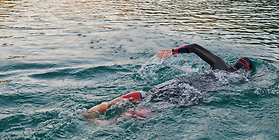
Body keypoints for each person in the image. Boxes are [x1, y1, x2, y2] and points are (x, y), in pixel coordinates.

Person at [83, 43, 253, 124]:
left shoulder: (220, 65)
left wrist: (174, 51)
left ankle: (100, 107)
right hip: (190, 94)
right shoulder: (237, 81)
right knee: (155, 108)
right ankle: (108, 124)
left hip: (178, 83)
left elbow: (194, 47)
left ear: (234, 64)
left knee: (148, 94)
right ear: (245, 72)